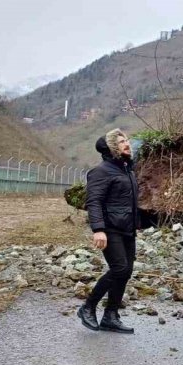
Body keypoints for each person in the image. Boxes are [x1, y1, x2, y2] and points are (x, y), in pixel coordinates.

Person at [76, 129, 139, 334]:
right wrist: (98, 229)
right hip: (110, 229)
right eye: (121, 142)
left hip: (127, 229)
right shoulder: (101, 171)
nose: (126, 144)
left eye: (127, 140)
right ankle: (88, 307)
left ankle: (111, 316)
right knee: (119, 268)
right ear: (112, 148)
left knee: (126, 272)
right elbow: (93, 201)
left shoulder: (127, 170)